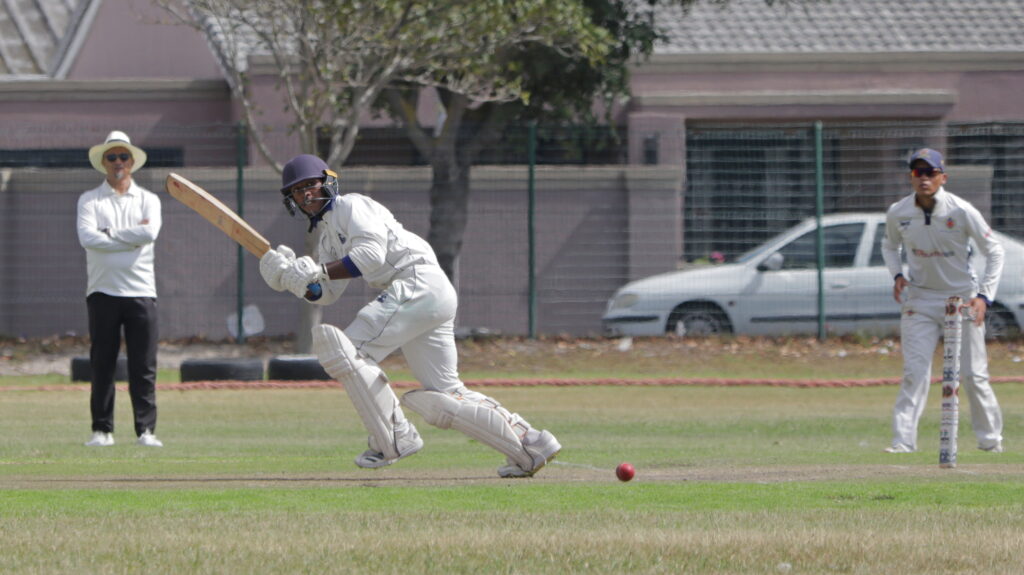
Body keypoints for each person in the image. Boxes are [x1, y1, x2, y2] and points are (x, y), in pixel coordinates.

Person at [258, 154, 560, 477]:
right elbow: (328, 292)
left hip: (416, 281)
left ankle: (396, 436)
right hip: (428, 294)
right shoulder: (328, 236)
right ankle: (529, 444)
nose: (305, 194)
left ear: (327, 182)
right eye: (297, 190)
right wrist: (293, 281)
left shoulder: (351, 206)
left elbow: (371, 257)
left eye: (310, 185)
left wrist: (316, 270)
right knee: (446, 393)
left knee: (348, 350)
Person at [881, 148, 1004, 454]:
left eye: (930, 172)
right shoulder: (898, 212)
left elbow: (995, 251)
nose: (923, 178)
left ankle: (991, 442)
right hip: (920, 298)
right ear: (911, 177)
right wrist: (897, 275)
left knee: (973, 375)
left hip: (962, 299)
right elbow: (889, 245)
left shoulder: (961, 210)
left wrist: (983, 297)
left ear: (943, 177)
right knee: (915, 373)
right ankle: (902, 442)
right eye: (917, 172)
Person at [76, 131, 163, 447]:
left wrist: (109, 233)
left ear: (132, 162)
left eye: (123, 156)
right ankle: (102, 430)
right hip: (102, 291)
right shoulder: (89, 200)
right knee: (102, 363)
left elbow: (149, 233)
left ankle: (146, 431)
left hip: (141, 291)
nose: (118, 162)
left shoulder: (149, 200)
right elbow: (88, 238)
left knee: (143, 366)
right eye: (111, 157)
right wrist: (130, 237)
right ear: (103, 162)